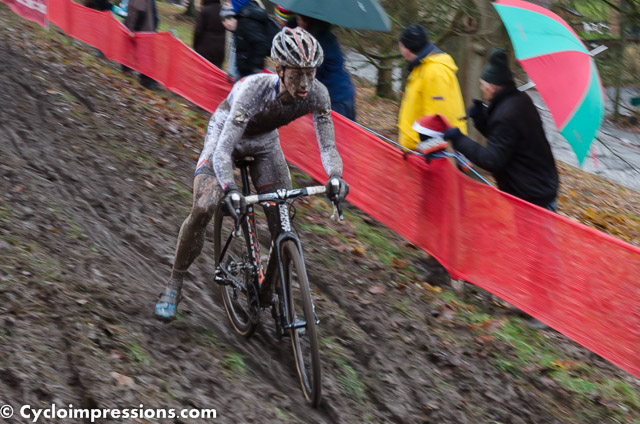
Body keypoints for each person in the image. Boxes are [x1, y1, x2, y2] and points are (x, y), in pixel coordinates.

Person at [155, 27, 349, 321]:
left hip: (264, 143)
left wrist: (335, 175)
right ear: (279, 69)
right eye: (298, 73)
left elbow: (328, 145)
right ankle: (174, 283)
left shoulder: (317, 94)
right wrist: (230, 187)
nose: (307, 82)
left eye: (312, 72)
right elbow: (222, 152)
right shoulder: (253, 90)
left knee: (281, 219)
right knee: (205, 205)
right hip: (225, 138)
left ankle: (270, 290)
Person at [443, 48, 559, 211]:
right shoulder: (518, 101)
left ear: (493, 87)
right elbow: (505, 141)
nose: (481, 89)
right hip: (535, 188)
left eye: (482, 85)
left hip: (533, 198)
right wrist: (481, 119)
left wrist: (459, 139)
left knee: (532, 238)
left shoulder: (507, 113)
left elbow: (492, 160)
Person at [398, 24, 466, 151]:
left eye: (400, 46)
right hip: (417, 152)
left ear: (406, 49)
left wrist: (424, 151)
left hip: (429, 156)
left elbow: (439, 120)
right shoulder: (421, 68)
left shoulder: (435, 72)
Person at [296, 15, 356, 121]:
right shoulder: (326, 36)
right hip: (345, 94)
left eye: (299, 19)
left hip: (335, 100)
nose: (298, 22)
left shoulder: (316, 43)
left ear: (306, 22)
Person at [123, 0, 159, 89]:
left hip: (142, 30)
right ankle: (145, 78)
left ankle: (149, 81)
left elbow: (141, 13)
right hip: (146, 30)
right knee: (143, 55)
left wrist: (134, 30)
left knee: (144, 55)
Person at [231, 0, 272, 78]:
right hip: (245, 69)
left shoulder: (247, 19)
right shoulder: (244, 15)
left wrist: (254, 68)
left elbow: (259, 43)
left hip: (249, 71)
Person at [193, 0, 226, 68]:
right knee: (215, 73)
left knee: (203, 71)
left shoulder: (205, 11)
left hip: (205, 48)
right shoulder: (223, 11)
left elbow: (198, 31)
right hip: (220, 49)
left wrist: (195, 46)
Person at [219, 3, 239, 80]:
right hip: (233, 76)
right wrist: (230, 71)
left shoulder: (240, 35)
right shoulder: (233, 35)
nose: (227, 23)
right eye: (224, 20)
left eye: (230, 19)